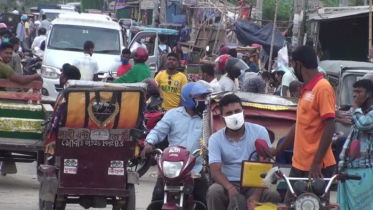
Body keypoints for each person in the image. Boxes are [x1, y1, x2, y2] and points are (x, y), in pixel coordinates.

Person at [271, 46, 336, 202]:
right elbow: (299, 125)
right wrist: (278, 150)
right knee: (290, 205)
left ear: (298, 65)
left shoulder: (323, 88)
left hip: (317, 168)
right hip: (299, 165)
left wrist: (316, 162)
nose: (293, 69)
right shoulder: (306, 90)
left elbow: (330, 126)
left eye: (293, 65)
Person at [141, 82, 211, 210]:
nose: (203, 101)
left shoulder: (208, 118)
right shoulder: (172, 114)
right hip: (171, 168)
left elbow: (214, 137)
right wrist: (149, 142)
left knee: (204, 199)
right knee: (157, 198)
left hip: (194, 168)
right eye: (200, 97)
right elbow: (158, 131)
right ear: (189, 98)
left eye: (204, 97)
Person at [207, 94, 281, 210]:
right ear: (222, 118)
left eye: (237, 111)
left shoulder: (259, 131)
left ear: (244, 113)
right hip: (228, 183)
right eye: (229, 113)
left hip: (255, 184)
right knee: (214, 191)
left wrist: (257, 193)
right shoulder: (215, 139)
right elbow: (215, 171)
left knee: (272, 194)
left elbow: (265, 165)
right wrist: (230, 188)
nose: (234, 116)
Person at [337, 79, 373, 210]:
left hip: (363, 170)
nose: (354, 95)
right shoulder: (360, 113)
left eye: (359, 92)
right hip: (349, 170)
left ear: (368, 95)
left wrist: (356, 107)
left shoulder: (367, 114)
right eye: (354, 91)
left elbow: (363, 125)